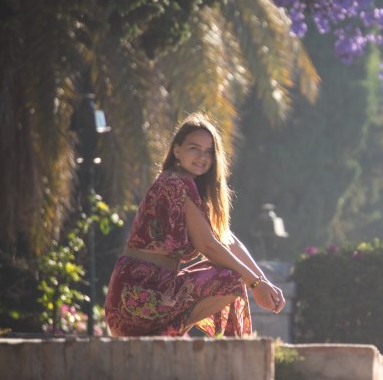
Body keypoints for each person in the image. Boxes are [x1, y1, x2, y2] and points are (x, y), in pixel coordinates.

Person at [104, 114, 284, 337]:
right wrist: (255, 284)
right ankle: (167, 333)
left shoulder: (188, 187)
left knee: (234, 276)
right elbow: (208, 246)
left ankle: (169, 333)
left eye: (208, 151)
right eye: (194, 148)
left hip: (151, 291)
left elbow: (226, 239)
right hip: (138, 293)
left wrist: (263, 281)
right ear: (177, 151)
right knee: (231, 280)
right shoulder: (175, 182)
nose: (202, 157)